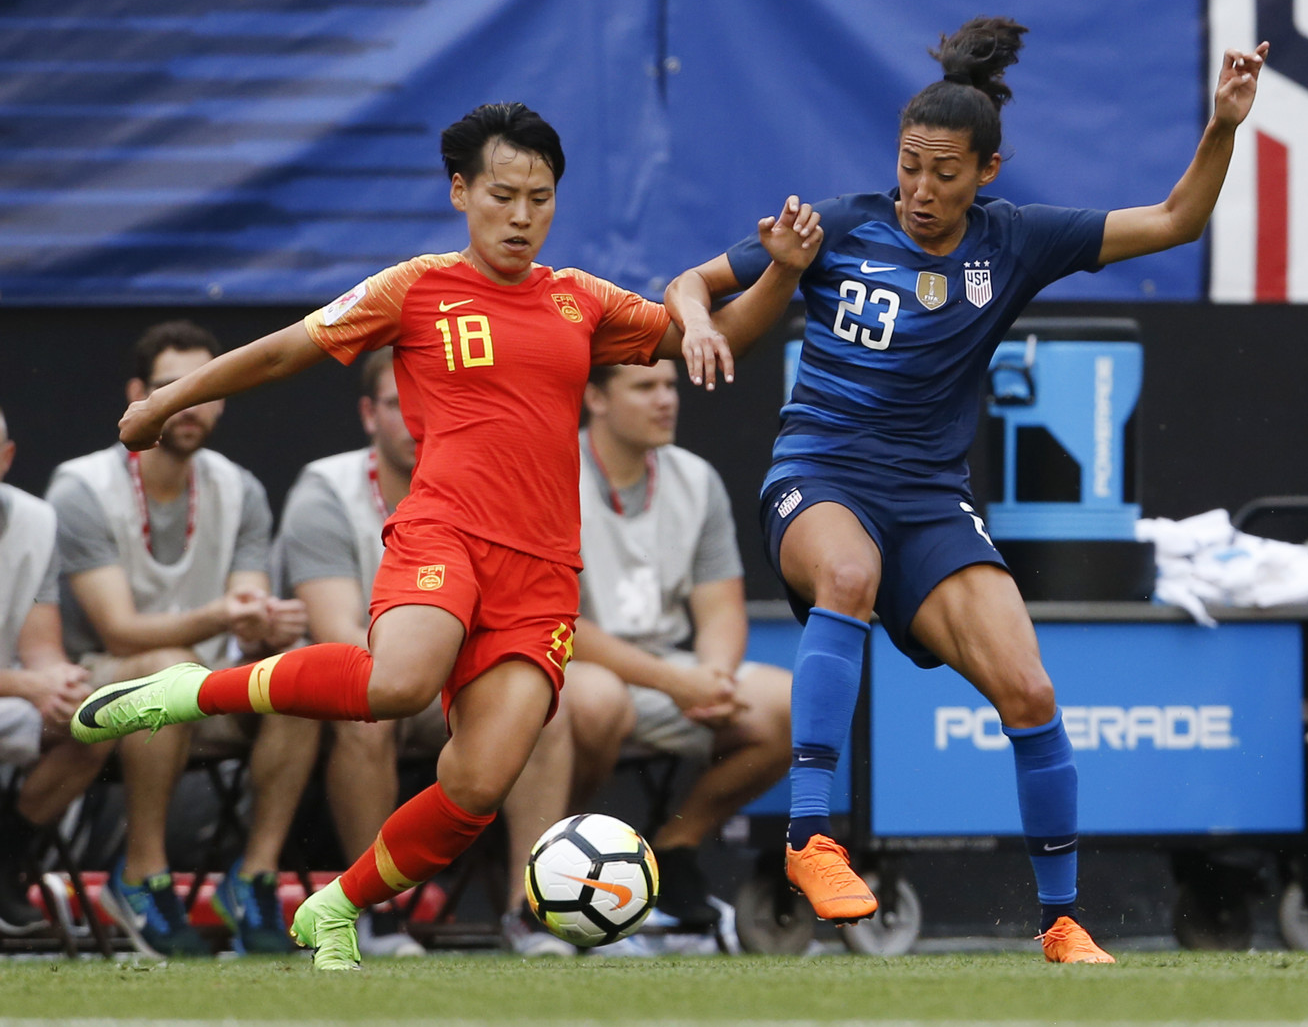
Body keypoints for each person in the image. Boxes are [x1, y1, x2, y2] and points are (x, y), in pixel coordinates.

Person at [71, 102, 822, 971]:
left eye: (540, 197)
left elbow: (716, 337)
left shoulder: (580, 299)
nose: (521, 215)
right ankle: (193, 689)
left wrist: (784, 273)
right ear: (460, 191)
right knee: (397, 682)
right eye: (502, 194)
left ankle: (335, 906)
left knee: (475, 784)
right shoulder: (415, 286)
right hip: (445, 532)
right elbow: (284, 351)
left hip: (541, 574)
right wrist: (167, 401)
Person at [665, 18, 1270, 964]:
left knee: (1029, 689)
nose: (920, 189)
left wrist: (1224, 125)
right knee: (850, 575)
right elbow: (690, 284)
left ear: (986, 172)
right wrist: (701, 323)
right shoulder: (843, 224)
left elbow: (1175, 221)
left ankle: (1062, 922)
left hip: (929, 503)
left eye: (944, 172)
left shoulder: (1016, 243)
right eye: (910, 166)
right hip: (818, 475)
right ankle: (808, 839)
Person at [274, 347, 625, 957]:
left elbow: (548, 617)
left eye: (429, 404)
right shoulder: (327, 490)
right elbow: (337, 632)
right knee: (370, 712)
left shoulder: (516, 484)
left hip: (470, 679)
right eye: (398, 405)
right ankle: (374, 915)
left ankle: (532, 909)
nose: (417, 420)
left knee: (551, 705)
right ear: (367, 414)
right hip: (394, 679)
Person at [48, 321, 310, 957]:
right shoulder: (81, 486)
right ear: (137, 393)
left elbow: (244, 607)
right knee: (166, 667)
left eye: (202, 389)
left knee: (300, 671)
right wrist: (228, 615)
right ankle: (141, 875)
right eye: (170, 388)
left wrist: (261, 623)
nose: (187, 404)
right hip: (95, 685)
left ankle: (255, 877)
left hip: (202, 683)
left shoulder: (238, 487)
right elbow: (117, 629)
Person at [564, 359, 792, 931]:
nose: (666, 399)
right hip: (566, 671)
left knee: (792, 704)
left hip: (669, 673)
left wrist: (713, 678)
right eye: (645, 387)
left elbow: (719, 607)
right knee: (596, 701)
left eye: (670, 385)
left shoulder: (694, 477)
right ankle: (562, 867)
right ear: (595, 397)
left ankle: (674, 846)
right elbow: (554, 622)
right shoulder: (551, 472)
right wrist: (676, 682)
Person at [0, 406, 114, 935]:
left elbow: (41, 646)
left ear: (6, 459)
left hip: (8, 697)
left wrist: (60, 683)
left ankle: (5, 863)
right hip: (9, 689)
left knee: (96, 721)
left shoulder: (35, 520)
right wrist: (28, 684)